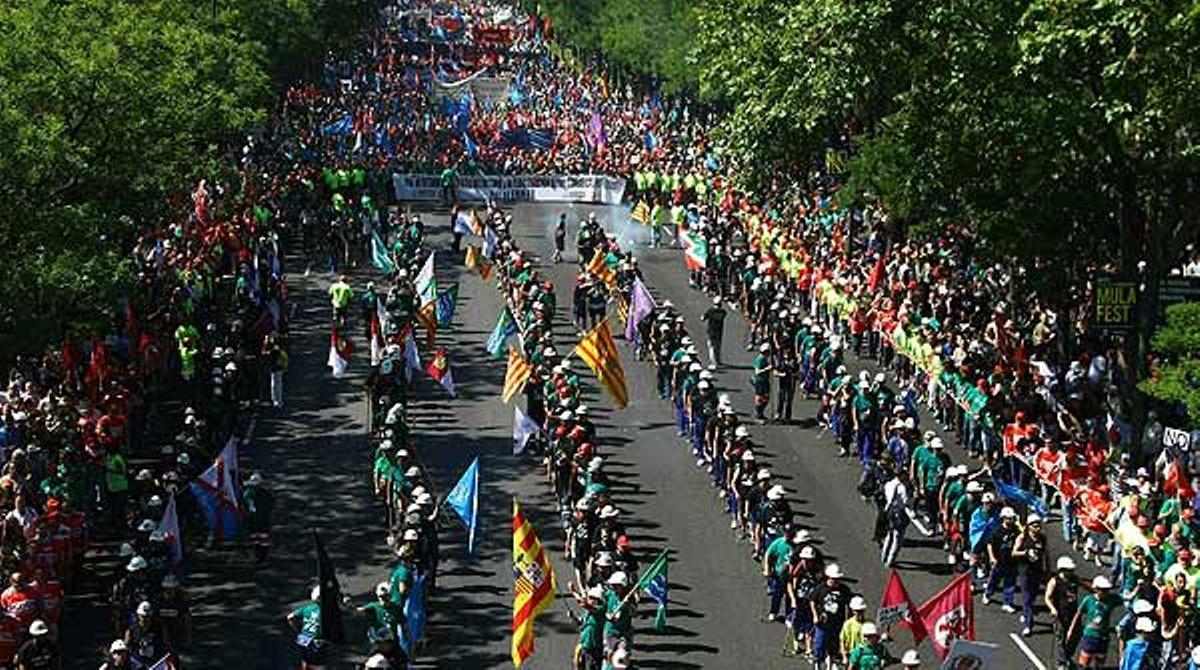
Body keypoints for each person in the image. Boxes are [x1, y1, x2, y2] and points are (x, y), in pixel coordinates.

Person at [1069, 575, 1122, 668]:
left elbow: (1127, 598)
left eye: (1107, 590)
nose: (1106, 592)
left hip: (1103, 637)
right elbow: (1078, 614)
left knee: (1100, 663)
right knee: (1084, 663)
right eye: (1103, 590)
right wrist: (1071, 630)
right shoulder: (1088, 600)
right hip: (1090, 636)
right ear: (1096, 589)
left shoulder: (1111, 599)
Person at [1045, 556, 1080, 670]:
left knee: (1075, 637)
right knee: (1061, 639)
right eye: (1069, 570)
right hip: (1061, 615)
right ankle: (1062, 662)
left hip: (1073, 614)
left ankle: (1067, 657)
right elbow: (1047, 597)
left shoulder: (1074, 579)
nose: (1071, 572)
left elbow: (1085, 585)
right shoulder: (1055, 581)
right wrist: (1052, 609)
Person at [287, 586, 327, 669]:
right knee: (319, 664)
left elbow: (290, 617)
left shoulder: (308, 607)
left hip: (303, 638)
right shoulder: (326, 611)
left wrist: (298, 631)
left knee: (305, 660)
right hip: (316, 640)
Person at [701, 297, 726, 367]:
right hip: (719, 331)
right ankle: (718, 360)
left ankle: (713, 362)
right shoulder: (723, 312)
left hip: (711, 331)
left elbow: (702, 318)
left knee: (711, 347)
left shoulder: (710, 311)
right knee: (718, 346)